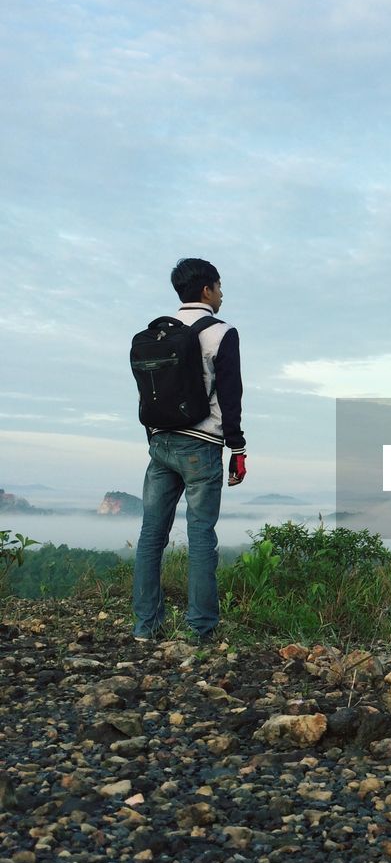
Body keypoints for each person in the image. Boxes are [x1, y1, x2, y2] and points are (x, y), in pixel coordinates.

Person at [132, 258, 246, 643]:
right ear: (206, 290)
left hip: (160, 443)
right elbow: (231, 397)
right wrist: (238, 448)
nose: (222, 293)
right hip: (202, 445)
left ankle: (146, 627)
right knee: (200, 536)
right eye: (219, 286)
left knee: (151, 535)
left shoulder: (159, 334)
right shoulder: (221, 333)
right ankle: (200, 630)